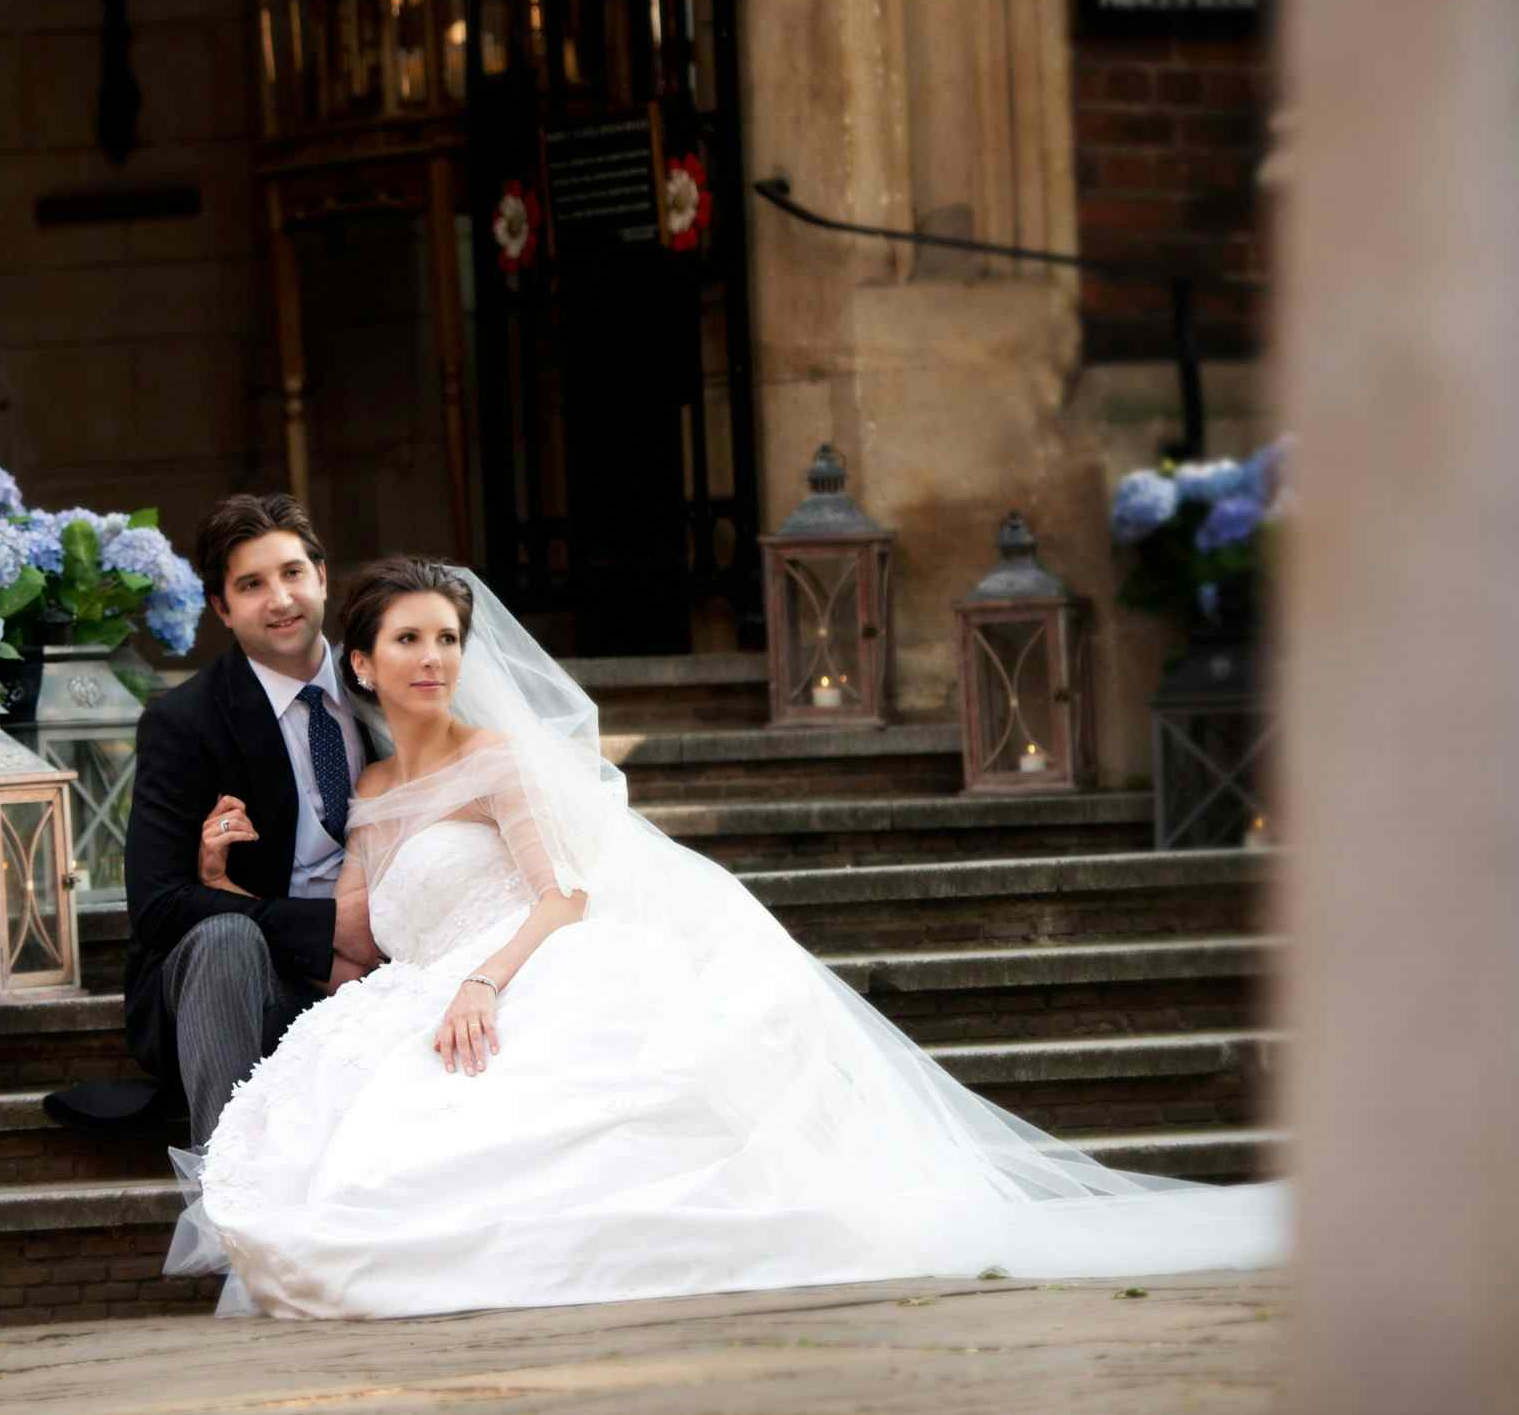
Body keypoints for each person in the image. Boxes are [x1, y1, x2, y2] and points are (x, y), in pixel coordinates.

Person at [170, 555, 1289, 1320]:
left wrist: (484, 985)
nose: (435, 659)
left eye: (449, 638)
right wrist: (226, 880)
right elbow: (357, 943)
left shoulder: (497, 763)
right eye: (409, 640)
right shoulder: (366, 793)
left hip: (519, 968)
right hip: (415, 993)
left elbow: (562, 898)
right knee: (334, 1162)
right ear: (360, 662)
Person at [120, 495, 380, 1149]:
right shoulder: (185, 723)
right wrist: (326, 934)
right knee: (225, 938)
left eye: (292, 573)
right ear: (221, 608)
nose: (280, 599)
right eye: (251, 585)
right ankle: (227, 1195)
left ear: (322, 576)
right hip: (256, 976)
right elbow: (157, 906)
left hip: (391, 950)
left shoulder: (389, 683)